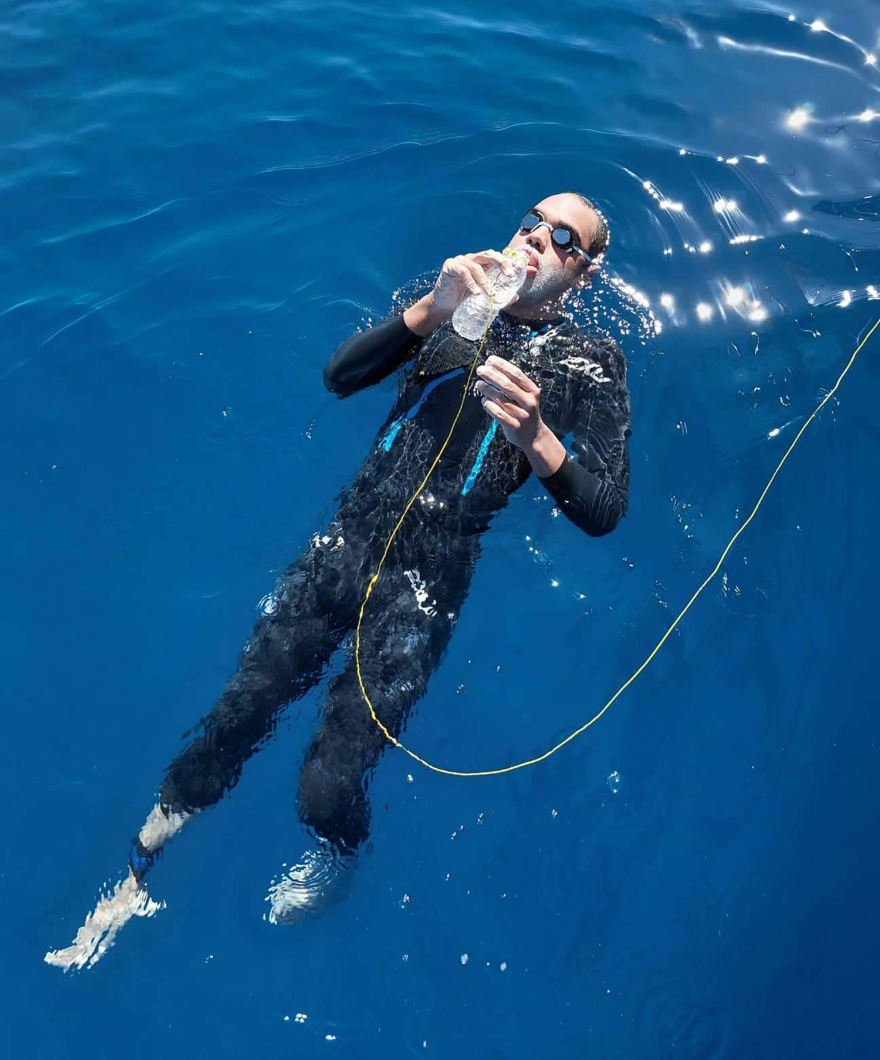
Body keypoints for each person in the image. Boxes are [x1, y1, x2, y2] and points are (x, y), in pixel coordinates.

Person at [45, 191, 632, 969]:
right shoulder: (458, 295)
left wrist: (539, 440)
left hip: (426, 577)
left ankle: (338, 857)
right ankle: (133, 870)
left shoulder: (589, 361)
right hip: (345, 541)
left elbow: (605, 507)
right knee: (234, 717)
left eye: (562, 238)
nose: (534, 240)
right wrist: (429, 308)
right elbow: (338, 376)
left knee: (328, 783)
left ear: (584, 271)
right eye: (530, 221)